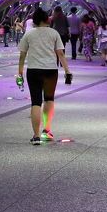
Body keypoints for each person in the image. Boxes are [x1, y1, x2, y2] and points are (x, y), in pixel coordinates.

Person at [17, 8, 71, 144]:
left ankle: (35, 137)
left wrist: (20, 72)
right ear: (47, 19)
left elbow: (22, 55)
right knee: (49, 99)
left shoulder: (29, 34)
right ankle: (46, 131)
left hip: (33, 70)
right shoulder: (54, 33)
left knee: (35, 102)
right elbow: (61, 54)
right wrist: (67, 71)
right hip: (50, 70)